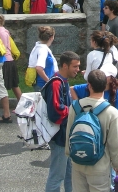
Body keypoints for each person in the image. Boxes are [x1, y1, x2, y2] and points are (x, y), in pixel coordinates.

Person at [65, 69, 118, 192]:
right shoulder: (112, 112)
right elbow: (114, 142)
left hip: (78, 162)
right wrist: (117, 165)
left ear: (88, 85)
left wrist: (69, 153)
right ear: (105, 86)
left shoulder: (75, 107)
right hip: (99, 164)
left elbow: (69, 132)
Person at [44, 51, 81, 192]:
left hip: (66, 135)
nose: (78, 70)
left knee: (70, 175)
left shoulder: (62, 81)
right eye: (75, 66)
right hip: (60, 137)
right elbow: (55, 112)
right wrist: (75, 111)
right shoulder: (56, 83)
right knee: (56, 177)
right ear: (65, 65)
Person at [29, 26, 59, 90]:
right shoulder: (43, 50)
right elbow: (39, 68)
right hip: (43, 85)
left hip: (40, 84)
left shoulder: (37, 47)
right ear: (51, 37)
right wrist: (48, 81)